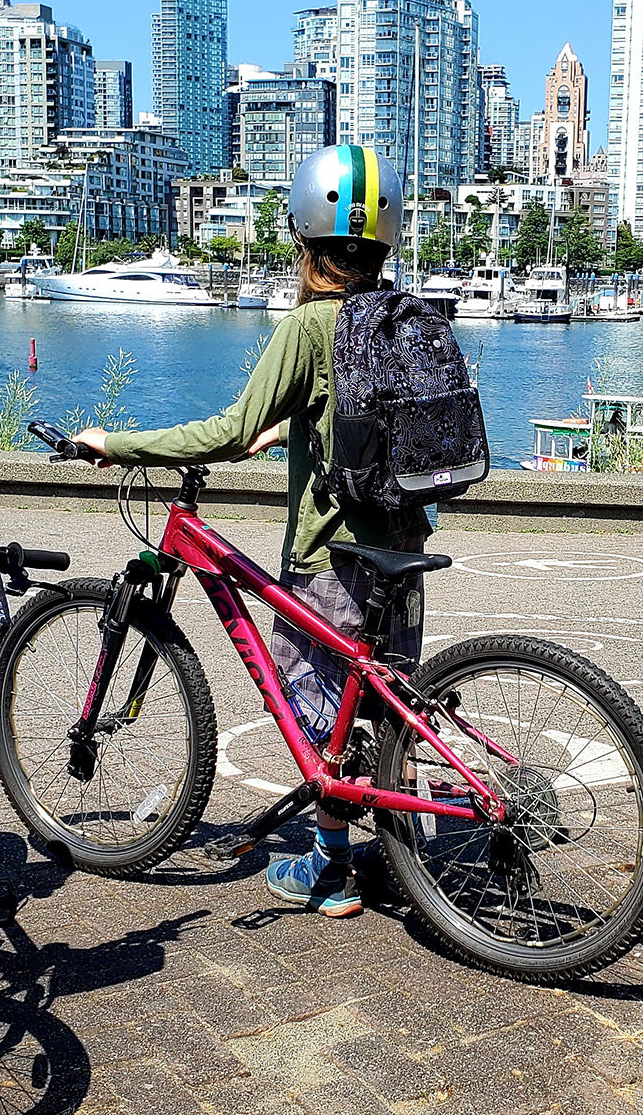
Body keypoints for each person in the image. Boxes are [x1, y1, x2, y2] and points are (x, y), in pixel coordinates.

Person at [74, 145, 430, 918]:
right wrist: (296, 427)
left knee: (321, 713)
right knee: (389, 704)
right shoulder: (398, 317)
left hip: (333, 556)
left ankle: (329, 867)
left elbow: (230, 430)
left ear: (304, 236)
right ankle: (408, 856)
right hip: (403, 543)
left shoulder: (310, 326)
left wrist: (119, 444)